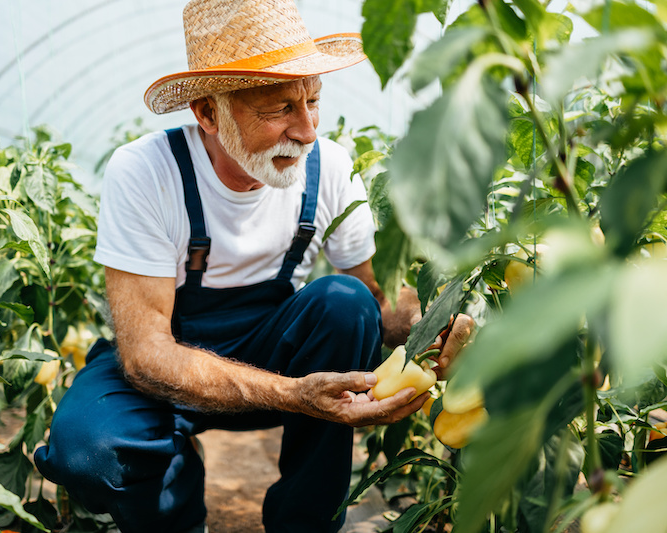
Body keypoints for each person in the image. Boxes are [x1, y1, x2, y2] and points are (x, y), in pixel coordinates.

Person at [34, 0, 473, 532]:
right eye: (279, 109)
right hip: (166, 373)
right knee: (89, 452)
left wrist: (439, 322)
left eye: (313, 100)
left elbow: (379, 299)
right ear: (208, 113)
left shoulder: (329, 168)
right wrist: (293, 394)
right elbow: (147, 354)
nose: (308, 130)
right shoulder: (147, 172)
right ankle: (172, 493)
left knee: (345, 304)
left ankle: (305, 522)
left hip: (272, 350)